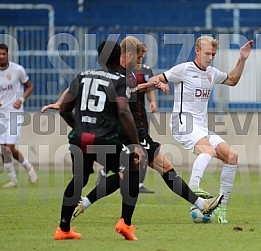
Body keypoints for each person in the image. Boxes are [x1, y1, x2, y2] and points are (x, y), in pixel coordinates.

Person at [71, 36, 223, 238]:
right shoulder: (119, 77)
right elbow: (132, 91)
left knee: (159, 169)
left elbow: (146, 82)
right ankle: (112, 214)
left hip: (141, 133)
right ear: (130, 55)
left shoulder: (130, 75)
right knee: (132, 175)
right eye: (140, 59)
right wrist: (152, 85)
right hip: (132, 134)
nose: (141, 64)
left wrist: (153, 84)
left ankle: (201, 204)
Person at [149, 35, 254, 223]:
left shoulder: (211, 73)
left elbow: (232, 80)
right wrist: (159, 82)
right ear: (197, 51)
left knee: (232, 156)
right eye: (207, 53)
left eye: (213, 54)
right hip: (183, 123)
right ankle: (194, 187)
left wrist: (242, 60)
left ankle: (221, 208)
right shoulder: (183, 69)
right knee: (208, 150)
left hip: (201, 128)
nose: (210, 57)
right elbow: (155, 77)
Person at [53, 40, 145, 241]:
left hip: (79, 139)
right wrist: (136, 143)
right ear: (117, 57)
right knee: (132, 169)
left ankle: (63, 228)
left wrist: (77, 127)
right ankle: (126, 223)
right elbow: (123, 111)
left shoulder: (82, 76)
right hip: (104, 139)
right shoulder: (119, 80)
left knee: (80, 179)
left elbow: (63, 109)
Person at [0, 43, 38, 188]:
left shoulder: (17, 69)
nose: (1, 56)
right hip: (1, 115)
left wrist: (21, 99)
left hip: (15, 114)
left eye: (4, 54)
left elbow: (30, 86)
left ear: (7, 54)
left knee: (8, 147)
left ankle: (29, 169)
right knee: (3, 149)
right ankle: (14, 179)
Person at [133, 44, 157, 193]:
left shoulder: (147, 70)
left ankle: (139, 184)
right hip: (126, 115)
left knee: (142, 148)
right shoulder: (124, 72)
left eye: (142, 56)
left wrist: (152, 102)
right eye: (139, 56)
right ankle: (105, 173)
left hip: (140, 114)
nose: (141, 59)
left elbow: (149, 89)